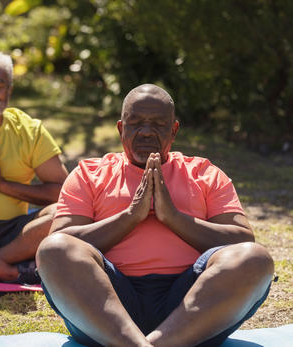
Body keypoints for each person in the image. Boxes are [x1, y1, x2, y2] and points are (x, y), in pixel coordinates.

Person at [37, 84, 274, 346]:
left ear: (173, 130)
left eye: (158, 124)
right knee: (53, 249)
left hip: (192, 307)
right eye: (135, 122)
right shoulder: (88, 174)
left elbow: (242, 240)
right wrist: (129, 217)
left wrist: (173, 217)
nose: (146, 131)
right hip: (105, 306)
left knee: (255, 258)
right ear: (120, 128)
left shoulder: (205, 174)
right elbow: (60, 243)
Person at [0, 50, 68, 284]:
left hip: (13, 237)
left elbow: (63, 193)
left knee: (62, 214)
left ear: (9, 91)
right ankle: (7, 270)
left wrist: (2, 185)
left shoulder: (28, 130)